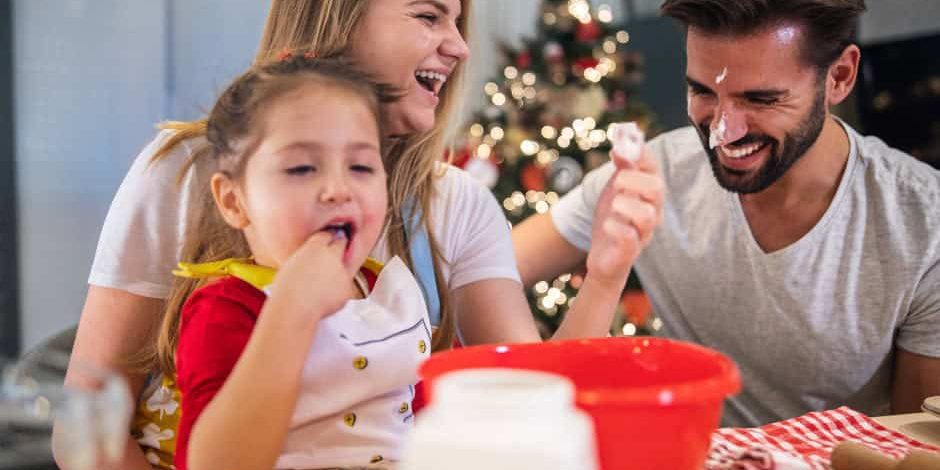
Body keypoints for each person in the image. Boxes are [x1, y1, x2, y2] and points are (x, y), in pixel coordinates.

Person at [61, 1, 662, 468]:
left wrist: (606, 273)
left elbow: (535, 404)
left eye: (361, 166)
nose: (458, 45)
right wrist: (291, 309)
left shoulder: (440, 225)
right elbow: (85, 431)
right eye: (428, 16)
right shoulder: (188, 181)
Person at [513, 0, 940, 427]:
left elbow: (909, 441)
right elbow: (488, 268)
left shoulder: (923, 222)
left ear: (840, 77)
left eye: (761, 98)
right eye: (702, 91)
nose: (724, 129)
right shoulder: (652, 175)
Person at [166, 53, 424, 470]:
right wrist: (292, 309)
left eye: (361, 166)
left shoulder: (388, 288)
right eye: (302, 168)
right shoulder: (226, 309)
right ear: (234, 201)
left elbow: (419, 417)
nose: (338, 189)